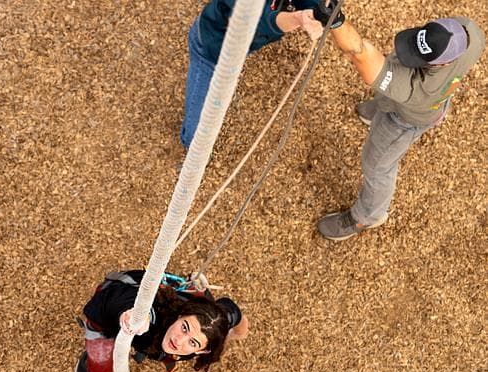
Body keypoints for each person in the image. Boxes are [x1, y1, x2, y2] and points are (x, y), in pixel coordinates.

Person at [313, 2, 485, 240]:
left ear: (442, 63)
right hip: (432, 102)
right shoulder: (470, 33)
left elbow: (359, 52)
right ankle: (377, 109)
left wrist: (336, 21)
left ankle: (367, 216)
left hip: (403, 120)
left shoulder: (416, 88)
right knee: (384, 99)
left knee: (377, 167)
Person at [181, 0, 325, 149]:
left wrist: (318, 10)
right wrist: (298, 18)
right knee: (196, 138)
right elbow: (260, 19)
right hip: (210, 50)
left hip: (239, 46)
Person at [74, 270, 248, 372]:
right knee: (99, 359)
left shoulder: (215, 324)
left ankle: (163, 353)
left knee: (169, 350)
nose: (179, 340)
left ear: (203, 350)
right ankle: (95, 370)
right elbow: (123, 301)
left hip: (157, 341)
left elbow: (233, 311)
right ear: (180, 315)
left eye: (193, 342)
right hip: (112, 308)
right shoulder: (157, 311)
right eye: (184, 327)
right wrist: (135, 316)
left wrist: (234, 334)